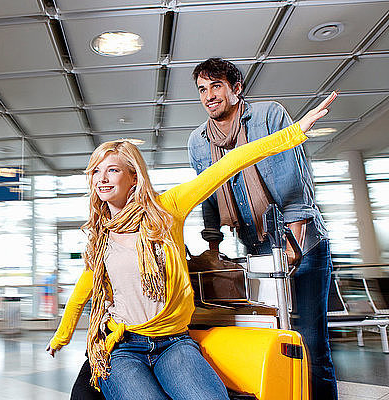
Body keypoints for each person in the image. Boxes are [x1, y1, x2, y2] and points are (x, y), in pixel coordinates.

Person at [46, 90, 336, 400]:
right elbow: (84, 288)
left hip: (173, 342)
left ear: (134, 178)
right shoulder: (101, 234)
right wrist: (61, 336)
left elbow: (231, 163)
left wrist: (295, 132)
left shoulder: (168, 208)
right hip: (122, 347)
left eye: (112, 170)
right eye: (95, 172)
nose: (101, 179)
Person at [187, 58, 338, 400]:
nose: (208, 96)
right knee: (276, 337)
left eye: (216, 86)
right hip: (256, 249)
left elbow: (293, 183)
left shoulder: (268, 116)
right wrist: (213, 248)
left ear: (236, 88)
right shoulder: (198, 142)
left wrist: (291, 247)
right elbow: (207, 193)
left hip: (303, 244)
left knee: (310, 342)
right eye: (202, 89)